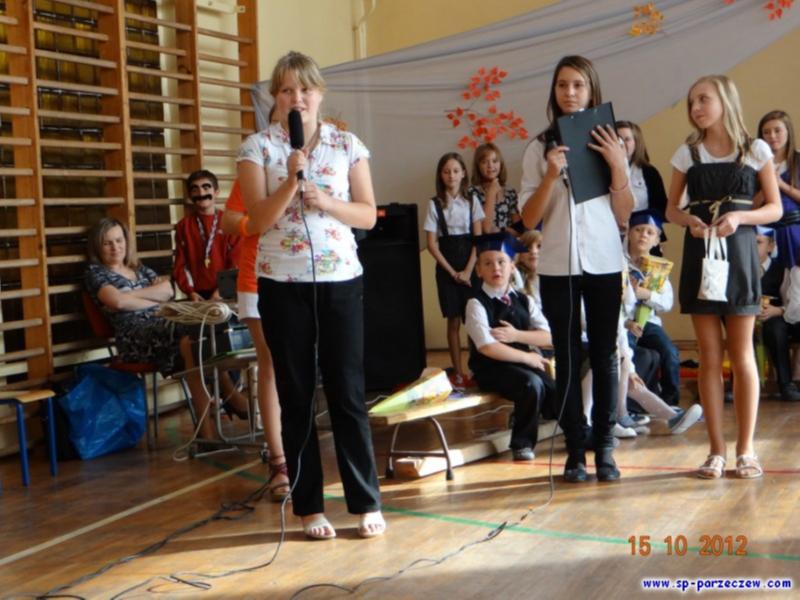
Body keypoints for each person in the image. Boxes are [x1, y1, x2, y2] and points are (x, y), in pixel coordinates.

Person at [237, 51, 384, 540]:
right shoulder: (258, 147)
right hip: (282, 284)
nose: (296, 98)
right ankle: (309, 508)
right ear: (275, 98)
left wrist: (327, 201)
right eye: (286, 90)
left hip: (341, 280)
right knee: (296, 393)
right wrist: (291, 181)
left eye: (305, 89)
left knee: (347, 391)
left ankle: (365, 501)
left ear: (320, 93)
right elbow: (256, 221)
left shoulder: (347, 144)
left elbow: (367, 214)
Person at [519, 55, 634, 483]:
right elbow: (528, 219)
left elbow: (624, 213)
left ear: (592, 91)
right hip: (557, 264)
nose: (570, 92)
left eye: (578, 85)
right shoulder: (538, 147)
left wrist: (618, 164)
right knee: (567, 357)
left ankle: (604, 447)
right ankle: (574, 451)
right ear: (554, 91)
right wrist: (551, 175)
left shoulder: (610, 141)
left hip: (604, 260)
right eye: (562, 85)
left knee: (605, 355)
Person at [665, 74, 782, 480]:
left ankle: (746, 450)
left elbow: (774, 208)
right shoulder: (687, 153)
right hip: (701, 255)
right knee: (709, 357)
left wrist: (740, 217)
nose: (695, 107)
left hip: (740, 256)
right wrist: (690, 223)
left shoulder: (755, 150)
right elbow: (671, 210)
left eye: (703, 99)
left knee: (742, 354)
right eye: (691, 101)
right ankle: (716, 450)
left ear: (725, 101)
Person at [84, 217, 246, 442]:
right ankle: (226, 398)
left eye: (119, 240)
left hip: (164, 324)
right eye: (107, 243)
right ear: (97, 246)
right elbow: (118, 303)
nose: (115, 247)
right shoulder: (95, 273)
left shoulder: (139, 269)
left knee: (197, 337)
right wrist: (150, 299)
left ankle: (208, 425)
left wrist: (129, 296)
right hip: (135, 336)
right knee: (193, 334)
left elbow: (168, 291)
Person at [220, 179, 290, 501]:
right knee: (270, 365)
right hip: (258, 277)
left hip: (310, 276)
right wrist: (257, 221)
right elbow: (229, 221)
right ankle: (279, 462)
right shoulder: (253, 171)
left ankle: (303, 455)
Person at [465, 233, 554, 461]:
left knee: (556, 390)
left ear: (512, 266)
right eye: (488, 263)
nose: (496, 268)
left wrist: (517, 335)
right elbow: (487, 347)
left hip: (522, 366)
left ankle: (579, 435)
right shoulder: (476, 303)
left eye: (501, 262)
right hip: (491, 369)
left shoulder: (524, 300)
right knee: (531, 385)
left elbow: (548, 337)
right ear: (479, 271)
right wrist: (527, 358)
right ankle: (522, 443)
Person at [424, 152, 484, 388]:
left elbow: (478, 240)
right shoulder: (434, 204)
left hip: (471, 264)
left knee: (475, 319)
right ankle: (458, 373)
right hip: (446, 267)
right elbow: (431, 244)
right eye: (446, 171)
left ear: (464, 174)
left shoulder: (472, 201)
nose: (451, 175)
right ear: (440, 175)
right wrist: (452, 272)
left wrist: (468, 271)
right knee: (453, 321)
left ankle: (477, 369)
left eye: (456, 171)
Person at [624, 209, 681, 406]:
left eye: (650, 232)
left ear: (657, 240)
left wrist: (646, 295)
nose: (643, 235)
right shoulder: (619, 263)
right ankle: (630, 404)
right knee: (629, 354)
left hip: (649, 322)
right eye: (638, 230)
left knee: (669, 352)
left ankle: (669, 403)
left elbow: (667, 303)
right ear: (629, 233)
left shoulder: (659, 268)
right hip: (623, 323)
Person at [173, 170, 241, 301]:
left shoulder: (230, 222)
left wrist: (222, 290)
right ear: (190, 195)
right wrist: (190, 292)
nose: (201, 193)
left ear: (216, 192)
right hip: (197, 296)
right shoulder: (183, 226)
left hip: (229, 292)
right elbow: (181, 264)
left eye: (206, 187)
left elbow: (238, 260)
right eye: (195, 189)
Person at [755, 226, 800, 402]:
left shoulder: (782, 270)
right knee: (741, 333)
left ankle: (785, 384)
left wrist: (777, 310)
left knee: (777, 330)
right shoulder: (741, 269)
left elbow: (790, 303)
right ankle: (738, 384)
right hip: (747, 317)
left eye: (758, 243)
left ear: (771, 246)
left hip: (774, 317)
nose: (753, 248)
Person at [616, 120, 669, 255]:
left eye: (627, 139)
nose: (621, 143)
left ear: (636, 143)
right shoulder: (600, 172)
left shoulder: (649, 172)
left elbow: (662, 207)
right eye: (618, 139)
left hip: (643, 236)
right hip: (612, 235)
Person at [757, 110, 800, 269]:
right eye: (766, 132)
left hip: (794, 231)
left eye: (777, 130)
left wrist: (781, 184)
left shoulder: (798, 161)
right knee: (767, 279)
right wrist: (767, 186)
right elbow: (749, 205)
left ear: (788, 131)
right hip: (764, 234)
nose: (772, 136)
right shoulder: (754, 165)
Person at [468, 143, 523, 234]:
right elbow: (486, 228)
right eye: (484, 162)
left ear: (501, 164)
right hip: (485, 241)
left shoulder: (510, 191)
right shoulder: (472, 193)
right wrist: (491, 193)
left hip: (507, 241)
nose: (490, 165)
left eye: (495, 161)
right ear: (478, 166)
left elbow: (517, 227)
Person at [513, 229, 543, 309]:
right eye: (527, 247)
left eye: (539, 246)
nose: (533, 251)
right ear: (519, 255)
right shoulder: (516, 278)